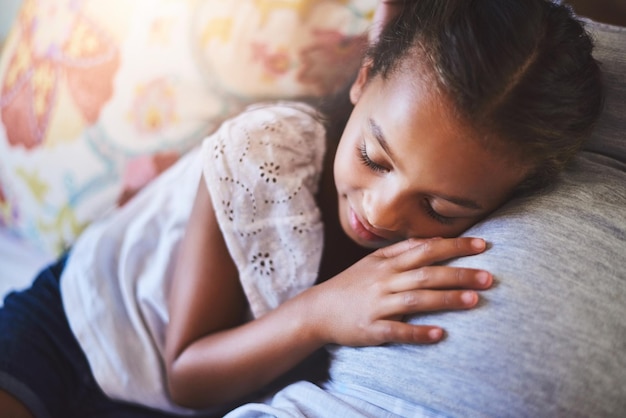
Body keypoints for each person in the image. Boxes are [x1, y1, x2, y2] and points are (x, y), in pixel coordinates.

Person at [0, 0, 603, 416]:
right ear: (363, 80)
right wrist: (320, 312)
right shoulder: (260, 154)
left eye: (441, 207)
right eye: (374, 156)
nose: (384, 213)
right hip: (75, 330)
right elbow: (185, 372)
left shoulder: (488, 208)